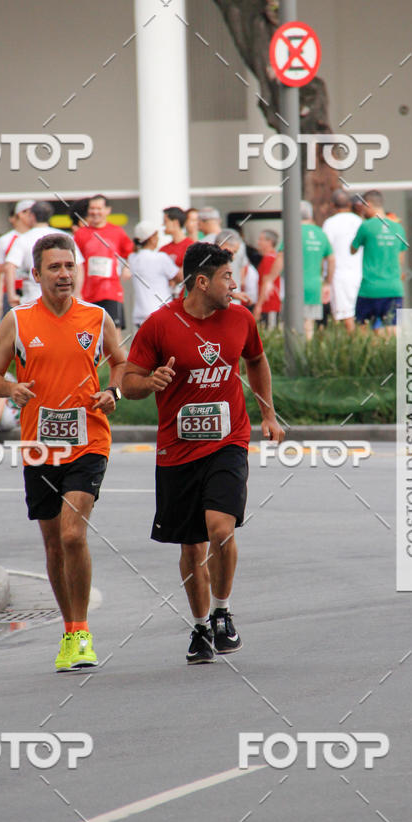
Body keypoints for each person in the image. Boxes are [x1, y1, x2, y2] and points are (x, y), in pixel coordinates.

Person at [123, 242, 284, 665]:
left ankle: (222, 611)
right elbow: (128, 382)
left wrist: (268, 414)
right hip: (177, 451)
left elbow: (256, 360)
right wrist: (149, 382)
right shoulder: (160, 324)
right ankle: (199, 627)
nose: (234, 284)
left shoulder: (241, 318)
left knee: (220, 529)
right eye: (227, 277)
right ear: (201, 282)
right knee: (192, 547)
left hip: (229, 440)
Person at [0, 233, 127, 671]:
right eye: (54, 267)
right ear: (36, 273)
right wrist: (11, 388)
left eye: (69, 266)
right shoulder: (18, 321)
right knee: (52, 543)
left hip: (89, 441)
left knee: (71, 535)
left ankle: (82, 632)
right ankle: (69, 630)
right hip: (39, 446)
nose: (64, 274)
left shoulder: (97, 317)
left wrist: (113, 391)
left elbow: (121, 363)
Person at [263, 201, 334, 340]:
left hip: (293, 288)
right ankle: (306, 353)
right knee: (309, 326)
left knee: (290, 327)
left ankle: (293, 352)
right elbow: (331, 259)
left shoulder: (293, 232)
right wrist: (327, 283)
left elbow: (281, 257)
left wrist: (269, 280)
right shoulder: (320, 234)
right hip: (314, 287)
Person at [74, 194, 134, 340]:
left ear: (107, 210)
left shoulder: (117, 232)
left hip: (111, 291)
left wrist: (128, 267)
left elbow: (131, 252)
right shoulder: (81, 234)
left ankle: (118, 356)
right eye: (92, 208)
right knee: (89, 334)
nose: (95, 212)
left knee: (113, 333)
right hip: (87, 293)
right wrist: (76, 291)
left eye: (99, 208)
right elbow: (75, 262)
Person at [5, 200, 84, 307]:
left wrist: (11, 295)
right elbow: (79, 266)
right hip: (63, 299)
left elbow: (10, 266)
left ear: (32, 216)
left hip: (32, 298)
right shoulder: (65, 237)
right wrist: (77, 293)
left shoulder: (23, 239)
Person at [351, 189, 406, 335]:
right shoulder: (398, 228)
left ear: (368, 204)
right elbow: (400, 259)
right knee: (392, 331)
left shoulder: (366, 226)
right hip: (393, 288)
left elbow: (352, 249)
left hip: (369, 289)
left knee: (362, 332)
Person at [322, 189, 362, 332]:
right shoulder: (359, 222)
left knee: (344, 317)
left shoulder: (330, 223)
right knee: (359, 316)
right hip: (360, 274)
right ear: (349, 204)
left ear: (332, 205)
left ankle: (352, 344)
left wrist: (326, 279)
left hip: (339, 276)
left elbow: (326, 252)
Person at [128, 221, 179, 328]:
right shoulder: (160, 258)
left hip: (140, 316)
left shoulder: (132, 258)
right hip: (161, 313)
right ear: (152, 238)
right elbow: (180, 277)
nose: (158, 238)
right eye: (157, 235)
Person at [0, 199, 34, 318]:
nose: (33, 217)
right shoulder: (5, 240)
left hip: (35, 290)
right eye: (30, 213)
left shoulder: (38, 235)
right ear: (21, 214)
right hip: (13, 292)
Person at [215, 229, 258, 307]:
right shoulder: (210, 264)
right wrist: (234, 295)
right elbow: (212, 289)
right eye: (233, 252)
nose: (233, 257)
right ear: (223, 244)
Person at [161, 206, 193, 299]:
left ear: (175, 222)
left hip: (185, 298)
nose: (163, 225)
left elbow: (186, 275)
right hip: (166, 299)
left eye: (165, 221)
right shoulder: (163, 250)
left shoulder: (191, 246)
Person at [254, 229, 282, 329]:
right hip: (270, 305)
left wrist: (259, 306)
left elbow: (266, 283)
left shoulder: (269, 259)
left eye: (261, 240)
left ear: (269, 242)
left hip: (269, 305)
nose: (258, 242)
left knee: (270, 332)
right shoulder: (274, 257)